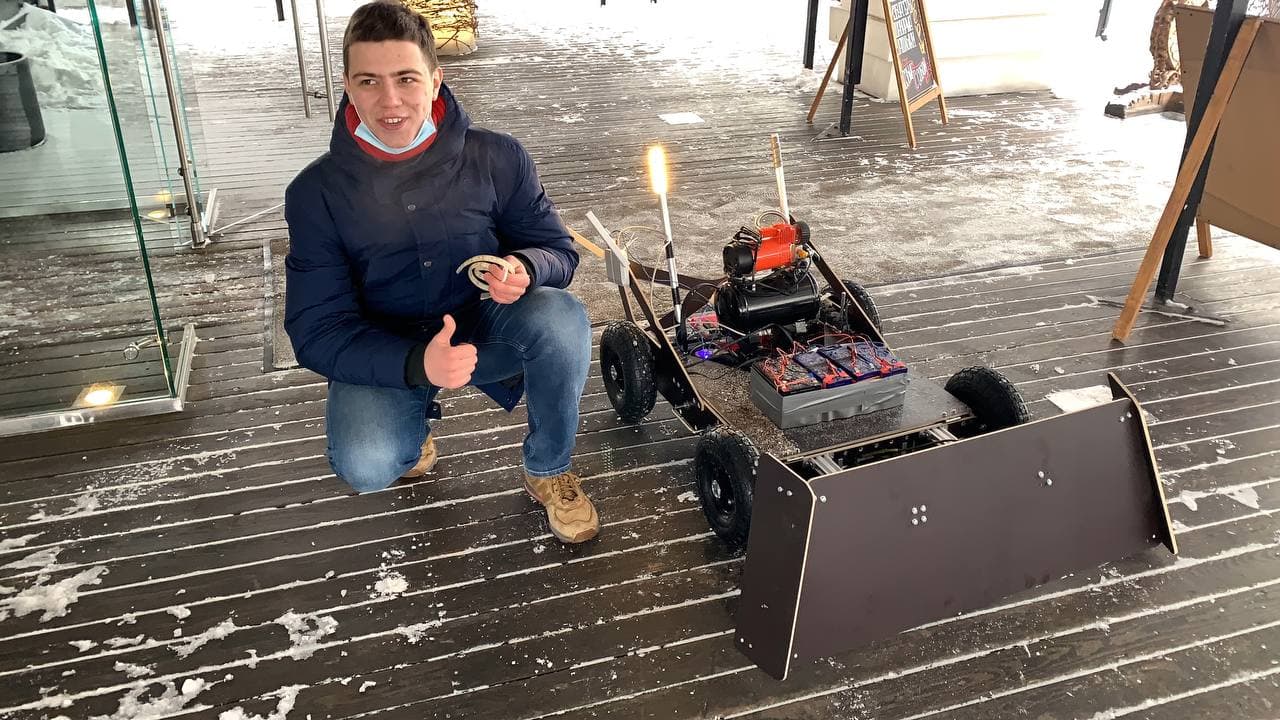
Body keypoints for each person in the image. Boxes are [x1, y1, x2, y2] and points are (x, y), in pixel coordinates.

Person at [284, 1, 597, 544]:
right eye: (369, 81)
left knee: (561, 317)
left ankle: (548, 468)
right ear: (348, 87)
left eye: (406, 78)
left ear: (435, 80)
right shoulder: (316, 193)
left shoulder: (498, 157)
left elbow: (558, 251)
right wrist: (415, 364)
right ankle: (413, 424)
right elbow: (315, 330)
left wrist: (526, 267)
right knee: (367, 463)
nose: (390, 101)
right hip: (385, 345)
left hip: (483, 329)